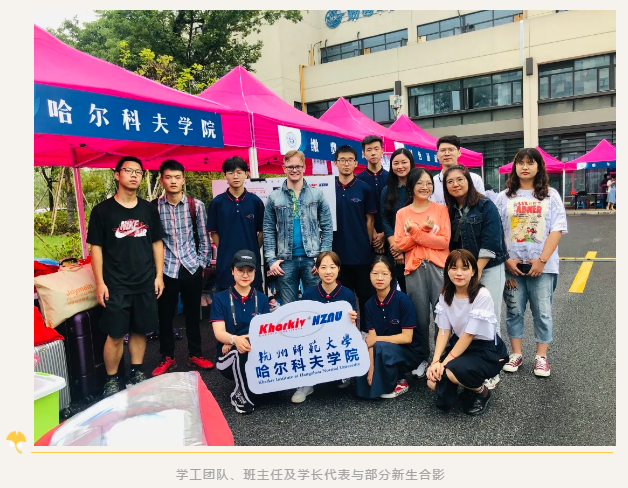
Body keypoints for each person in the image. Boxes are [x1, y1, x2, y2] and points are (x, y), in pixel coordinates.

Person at [87, 156, 164, 398]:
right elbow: (96, 248)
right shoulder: (102, 211)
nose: (134, 175)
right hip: (115, 284)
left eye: (138, 172)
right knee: (115, 334)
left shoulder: (149, 210)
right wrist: (100, 282)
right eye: (128, 170)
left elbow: (157, 243)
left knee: (141, 330)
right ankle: (112, 379)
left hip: (145, 281)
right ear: (117, 174)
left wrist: (159, 276)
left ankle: (137, 372)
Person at [495, 148, 568, 377]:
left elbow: (557, 229)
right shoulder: (504, 197)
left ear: (539, 167)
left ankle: (541, 357)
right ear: (515, 167)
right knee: (514, 310)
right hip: (512, 266)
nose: (525, 167)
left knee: (542, 312)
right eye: (520, 163)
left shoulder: (550, 196)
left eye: (530, 163)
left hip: (543, 266)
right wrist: (506, 259)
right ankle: (516, 353)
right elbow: (497, 230)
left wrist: (542, 260)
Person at [443, 164, 509, 389]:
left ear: (468, 181)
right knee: (466, 317)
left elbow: (492, 240)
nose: (455, 184)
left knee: (490, 318)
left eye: (459, 180)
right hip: (464, 271)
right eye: (450, 181)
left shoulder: (485, 205)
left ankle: (492, 368)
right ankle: (470, 362)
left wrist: (477, 270)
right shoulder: (450, 210)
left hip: (487, 268)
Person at [151, 160, 214, 377]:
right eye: (168, 177)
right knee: (165, 315)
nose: (173, 181)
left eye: (177, 177)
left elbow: (204, 236)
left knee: (192, 314)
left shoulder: (196, 206)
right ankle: (167, 356)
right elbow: (151, 241)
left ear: (183, 180)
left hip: (190, 265)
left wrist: (201, 263)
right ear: (162, 180)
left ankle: (195, 354)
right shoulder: (153, 207)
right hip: (166, 268)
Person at [426, 250, 508, 415]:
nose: (459, 273)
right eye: (454, 268)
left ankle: (481, 391)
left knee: (450, 372)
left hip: (485, 349)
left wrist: (444, 364)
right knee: (432, 381)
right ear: (447, 270)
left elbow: (468, 335)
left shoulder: (482, 295)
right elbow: (443, 331)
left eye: (465, 268)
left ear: (473, 272)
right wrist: (435, 362)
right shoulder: (445, 294)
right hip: (460, 346)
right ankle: (466, 384)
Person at [394, 168, 451, 378]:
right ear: (411, 186)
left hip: (438, 267)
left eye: (428, 183)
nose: (425, 187)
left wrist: (416, 233)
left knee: (441, 313)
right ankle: (422, 356)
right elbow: (400, 244)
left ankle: (440, 357)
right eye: (420, 183)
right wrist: (424, 233)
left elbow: (443, 242)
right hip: (414, 268)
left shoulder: (441, 210)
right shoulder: (402, 213)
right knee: (419, 317)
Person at [263, 150, 333, 305]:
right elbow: (268, 230)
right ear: (284, 168)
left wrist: (323, 258)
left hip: (312, 259)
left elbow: (327, 227)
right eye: (290, 167)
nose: (294, 170)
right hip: (285, 261)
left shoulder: (317, 195)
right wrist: (271, 260)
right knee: (289, 309)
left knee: (316, 306)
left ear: (304, 168)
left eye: (298, 166)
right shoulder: (274, 197)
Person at [291, 251, 359, 403]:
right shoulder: (309, 294)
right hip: (315, 340)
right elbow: (304, 325)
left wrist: (352, 321)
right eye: (323, 267)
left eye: (332, 267)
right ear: (316, 269)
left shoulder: (347, 294)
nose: (328, 272)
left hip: (338, 339)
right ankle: (306, 383)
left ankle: (344, 374)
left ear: (338, 269)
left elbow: (351, 328)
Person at [355, 255, 425, 399]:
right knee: (362, 386)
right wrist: (371, 369)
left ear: (392, 276)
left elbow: (407, 338)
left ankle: (400, 380)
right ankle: (380, 378)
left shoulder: (402, 300)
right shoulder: (369, 305)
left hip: (410, 353)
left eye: (384, 274)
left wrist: (377, 339)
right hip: (384, 348)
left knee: (380, 346)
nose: (379, 278)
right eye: (375, 273)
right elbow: (371, 341)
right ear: (369, 276)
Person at [210, 250, 270, 414]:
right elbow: (219, 332)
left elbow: (265, 332)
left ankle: (254, 388)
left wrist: (236, 339)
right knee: (239, 352)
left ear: (255, 272)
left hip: (253, 349)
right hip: (227, 357)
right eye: (240, 270)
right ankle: (240, 395)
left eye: (250, 270)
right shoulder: (220, 299)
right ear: (232, 271)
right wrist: (234, 341)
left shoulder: (262, 299)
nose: (245, 275)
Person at [332, 145, 377, 332]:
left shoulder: (364, 188)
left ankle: (366, 335)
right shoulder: (328, 187)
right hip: (336, 255)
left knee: (366, 297)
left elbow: (370, 220)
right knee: (342, 300)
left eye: (350, 160)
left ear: (356, 163)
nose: (346, 164)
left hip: (361, 255)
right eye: (342, 160)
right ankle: (344, 335)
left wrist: (367, 244)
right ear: (335, 163)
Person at [207, 156, 264, 292]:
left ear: (246, 174)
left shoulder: (255, 202)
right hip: (226, 264)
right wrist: (225, 248)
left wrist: (253, 248)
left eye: (239, 172)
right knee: (226, 299)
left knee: (254, 300)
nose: (235, 176)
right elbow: (214, 232)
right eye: (231, 173)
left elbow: (262, 231)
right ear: (225, 176)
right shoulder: (217, 203)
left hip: (251, 263)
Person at [381, 148, 415, 294]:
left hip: (415, 247)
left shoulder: (418, 188)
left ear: (411, 163)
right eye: (396, 163)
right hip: (394, 249)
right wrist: (395, 247)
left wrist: (403, 246)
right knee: (397, 291)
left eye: (404, 162)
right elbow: (384, 219)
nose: (400, 166)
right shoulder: (387, 190)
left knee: (415, 293)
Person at [356, 135, 389, 255]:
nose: (373, 153)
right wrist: (373, 233)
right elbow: (359, 210)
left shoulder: (391, 178)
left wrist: (385, 234)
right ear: (363, 154)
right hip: (366, 236)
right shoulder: (358, 180)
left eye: (376, 149)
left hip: (391, 236)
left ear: (382, 152)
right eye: (369, 150)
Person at [431, 135, 485, 206]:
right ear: (437, 155)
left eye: (451, 150)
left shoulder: (474, 179)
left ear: (459, 153)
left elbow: (482, 205)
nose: (447, 154)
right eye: (443, 150)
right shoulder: (431, 183)